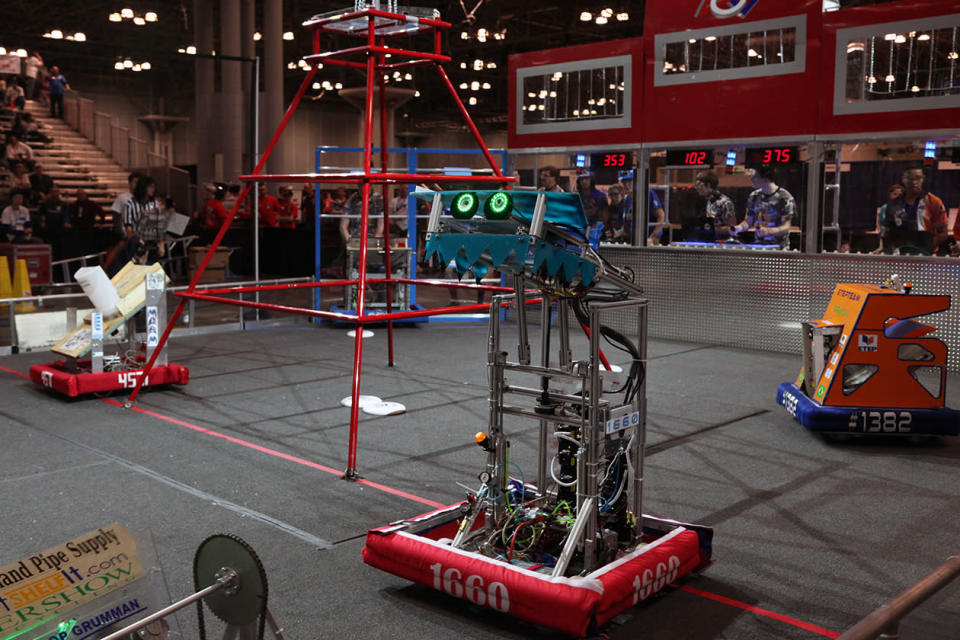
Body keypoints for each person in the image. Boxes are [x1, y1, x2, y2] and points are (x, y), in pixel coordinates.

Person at [878, 167, 948, 255]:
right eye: (910, 178)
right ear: (903, 179)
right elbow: (887, 232)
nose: (914, 182)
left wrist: (927, 247)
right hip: (899, 255)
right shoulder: (893, 204)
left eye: (918, 178)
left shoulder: (933, 201)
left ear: (923, 179)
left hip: (926, 254)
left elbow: (943, 233)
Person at [732, 165, 796, 248]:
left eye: (755, 176)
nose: (751, 179)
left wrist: (769, 231)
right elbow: (748, 222)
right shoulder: (754, 196)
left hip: (779, 247)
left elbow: (786, 227)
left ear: (766, 179)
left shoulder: (784, 198)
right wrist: (738, 228)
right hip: (758, 245)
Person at [124, 176, 165, 264]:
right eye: (150, 187)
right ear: (143, 188)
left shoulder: (154, 203)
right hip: (137, 242)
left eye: (154, 187)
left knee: (152, 269)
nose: (152, 190)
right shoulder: (130, 204)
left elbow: (159, 225)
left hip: (152, 241)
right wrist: (137, 241)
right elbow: (128, 228)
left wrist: (161, 244)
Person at [693, 171, 736, 242]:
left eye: (698, 184)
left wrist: (712, 230)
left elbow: (732, 228)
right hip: (708, 242)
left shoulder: (725, 202)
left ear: (708, 185)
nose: (696, 187)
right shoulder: (708, 202)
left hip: (722, 245)